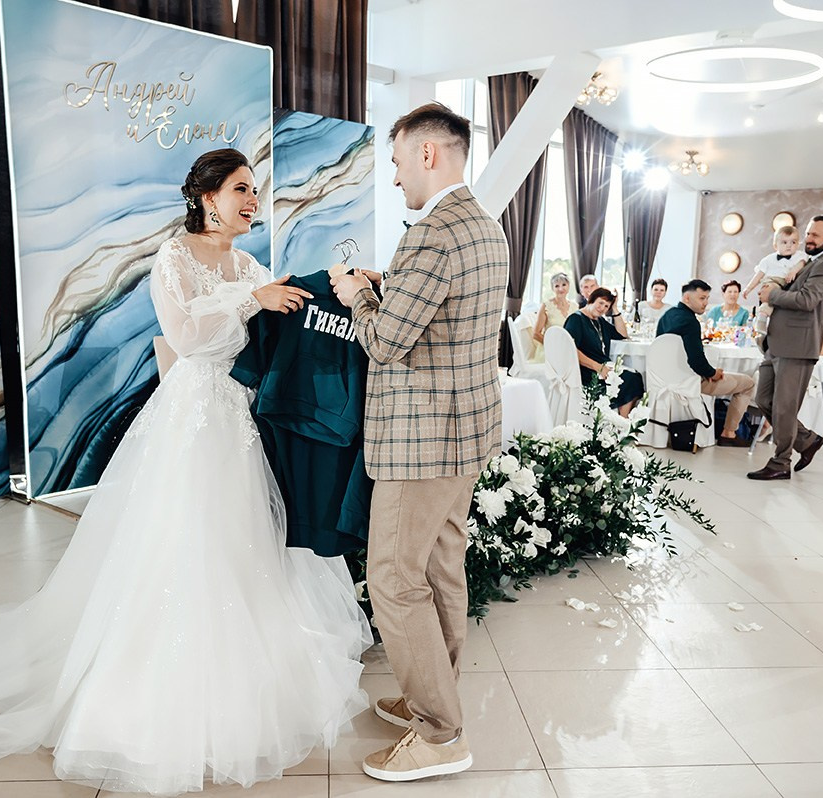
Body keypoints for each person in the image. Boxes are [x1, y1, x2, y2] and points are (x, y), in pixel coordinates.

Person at [0, 149, 372, 795]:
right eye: (241, 188)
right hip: (194, 416)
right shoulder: (175, 257)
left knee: (245, 543)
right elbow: (186, 337)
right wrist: (251, 301)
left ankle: (244, 677)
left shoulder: (251, 265)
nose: (253, 200)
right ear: (207, 197)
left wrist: (327, 287)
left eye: (254, 190)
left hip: (243, 417)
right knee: (180, 542)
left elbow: (273, 331)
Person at [331, 102, 508, 782]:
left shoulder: (433, 233)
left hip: (422, 441)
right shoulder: (481, 223)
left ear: (428, 153)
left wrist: (355, 293)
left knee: (393, 577)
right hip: (465, 432)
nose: (396, 175)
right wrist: (390, 283)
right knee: (439, 570)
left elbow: (386, 342)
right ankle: (434, 697)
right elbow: (444, 312)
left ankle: (439, 732)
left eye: (399, 160)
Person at [748, 214, 823, 480]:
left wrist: (772, 294)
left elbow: (807, 300)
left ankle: (781, 463)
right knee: (763, 400)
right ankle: (807, 439)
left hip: (798, 345)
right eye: (809, 233)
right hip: (776, 342)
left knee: (784, 407)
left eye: (815, 234)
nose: (808, 238)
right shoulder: (809, 261)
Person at [657, 279, 757, 446]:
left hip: (665, 378)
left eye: (707, 298)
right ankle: (728, 433)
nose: (706, 303)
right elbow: (696, 361)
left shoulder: (667, 315)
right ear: (687, 298)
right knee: (748, 383)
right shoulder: (691, 322)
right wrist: (713, 373)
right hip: (688, 383)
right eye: (702, 298)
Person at [564, 287, 644, 417]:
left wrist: (615, 309)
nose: (602, 308)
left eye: (606, 306)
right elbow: (571, 350)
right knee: (630, 380)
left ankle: (622, 421)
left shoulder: (600, 321)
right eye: (600, 303)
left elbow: (623, 334)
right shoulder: (576, 319)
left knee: (635, 378)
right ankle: (622, 422)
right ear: (591, 300)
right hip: (587, 371)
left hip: (603, 368)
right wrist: (598, 367)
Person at [743, 224, 806, 303]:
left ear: (798, 245)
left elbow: (802, 263)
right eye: (784, 242)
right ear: (776, 246)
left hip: (786, 284)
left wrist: (794, 271)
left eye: (793, 242)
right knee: (769, 294)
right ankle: (764, 309)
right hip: (771, 281)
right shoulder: (768, 259)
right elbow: (759, 275)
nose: (789, 245)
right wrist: (748, 288)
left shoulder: (799, 256)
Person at [530, 271, 575, 362]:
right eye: (557, 286)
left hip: (569, 350)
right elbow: (536, 334)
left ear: (568, 286)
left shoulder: (575, 307)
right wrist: (553, 346)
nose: (561, 289)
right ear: (553, 289)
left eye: (564, 285)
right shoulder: (546, 306)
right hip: (549, 351)